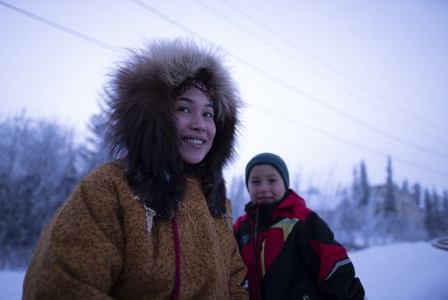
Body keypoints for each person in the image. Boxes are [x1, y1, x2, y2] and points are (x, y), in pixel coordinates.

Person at [23, 39, 248, 299]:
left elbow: (234, 284)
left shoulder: (216, 201)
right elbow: (58, 286)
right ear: (153, 115)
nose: (200, 124)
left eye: (208, 114)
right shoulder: (110, 189)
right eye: (184, 109)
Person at [234, 152, 365, 300]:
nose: (263, 188)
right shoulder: (240, 227)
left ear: (285, 184)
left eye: (272, 180)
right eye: (255, 182)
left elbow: (334, 267)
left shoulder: (303, 221)